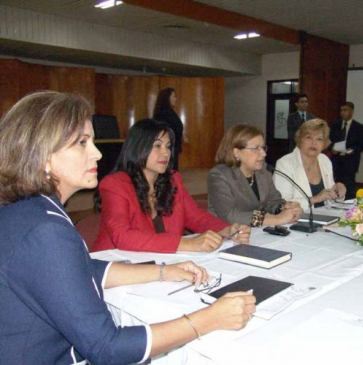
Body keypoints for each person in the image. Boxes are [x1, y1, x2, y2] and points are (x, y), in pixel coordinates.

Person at [0, 91, 256, 364]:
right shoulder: (46, 230)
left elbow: (77, 268)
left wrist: (163, 271)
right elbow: (107, 347)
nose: (97, 153)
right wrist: (207, 319)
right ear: (42, 155)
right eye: (82, 143)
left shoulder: (27, 210)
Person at [93, 118, 250, 254]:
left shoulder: (173, 179)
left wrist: (225, 230)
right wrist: (188, 244)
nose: (166, 153)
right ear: (138, 147)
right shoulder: (115, 184)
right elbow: (123, 236)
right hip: (116, 265)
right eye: (157, 146)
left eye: (168, 146)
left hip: (161, 262)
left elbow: (195, 216)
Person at [208, 124, 303, 227]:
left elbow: (273, 201)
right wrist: (275, 219)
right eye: (256, 148)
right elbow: (230, 215)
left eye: (263, 148)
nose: (263, 153)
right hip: (225, 235)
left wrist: (286, 208)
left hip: (256, 232)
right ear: (236, 152)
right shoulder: (219, 175)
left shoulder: (263, 171)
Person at [274, 119, 346, 210]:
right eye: (309, 137)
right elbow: (281, 204)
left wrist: (337, 191)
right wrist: (314, 199)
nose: (314, 143)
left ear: (324, 143)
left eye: (319, 139)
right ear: (300, 139)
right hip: (296, 220)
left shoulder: (325, 160)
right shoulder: (284, 164)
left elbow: (329, 198)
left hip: (326, 216)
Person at [329, 101, 363, 200]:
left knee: (349, 185)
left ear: (352, 111)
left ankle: (349, 202)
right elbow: (329, 141)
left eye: (345, 110)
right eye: (341, 110)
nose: (342, 113)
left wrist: (353, 150)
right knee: (336, 182)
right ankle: (336, 200)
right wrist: (332, 148)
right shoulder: (335, 125)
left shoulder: (359, 127)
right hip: (337, 160)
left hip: (350, 160)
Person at [153, 87, 185, 170]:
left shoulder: (169, 112)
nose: (175, 99)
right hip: (169, 145)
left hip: (173, 145)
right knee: (170, 168)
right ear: (167, 98)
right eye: (173, 96)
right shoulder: (164, 113)